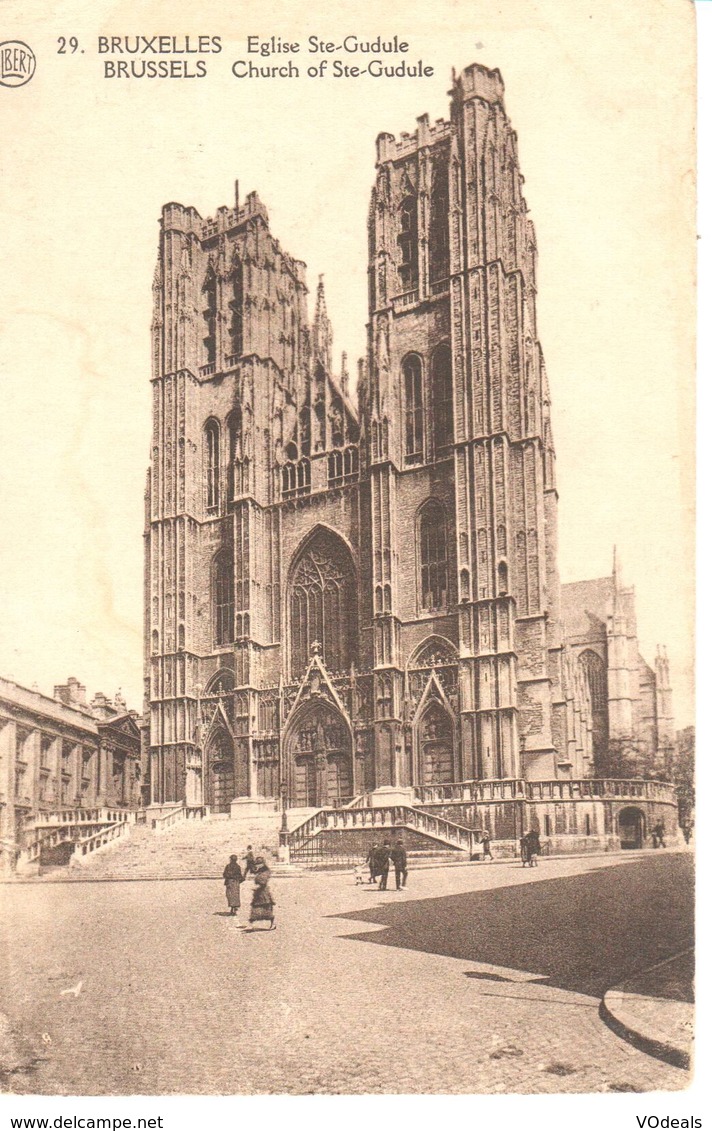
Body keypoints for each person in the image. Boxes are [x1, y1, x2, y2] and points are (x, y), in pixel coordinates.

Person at [249, 857, 276, 929]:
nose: (257, 866)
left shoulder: (265, 871)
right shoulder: (260, 871)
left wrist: (258, 885)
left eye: (258, 864)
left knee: (266, 907)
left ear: (262, 864)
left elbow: (263, 881)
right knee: (255, 908)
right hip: (259, 892)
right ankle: (252, 923)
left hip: (264, 892)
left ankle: (272, 923)